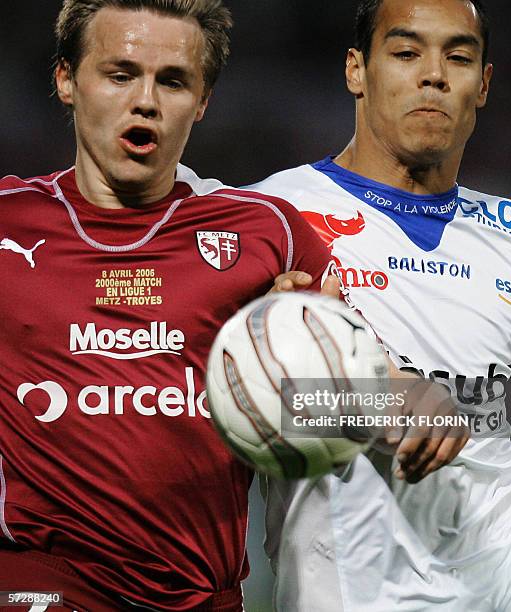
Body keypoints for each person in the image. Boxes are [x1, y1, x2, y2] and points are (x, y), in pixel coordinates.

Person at [0, 1, 340, 610]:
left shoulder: (267, 234)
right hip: (45, 585)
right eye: (120, 73)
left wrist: (318, 365)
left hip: (205, 595)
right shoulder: (7, 221)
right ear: (65, 81)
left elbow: (354, 410)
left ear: (203, 101)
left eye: (174, 81)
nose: (147, 102)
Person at [252, 0, 511, 610]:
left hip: (508, 566)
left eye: (458, 57)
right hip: (352, 580)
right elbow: (236, 386)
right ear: (357, 69)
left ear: (482, 84)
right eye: (406, 53)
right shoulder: (268, 215)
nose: (433, 74)